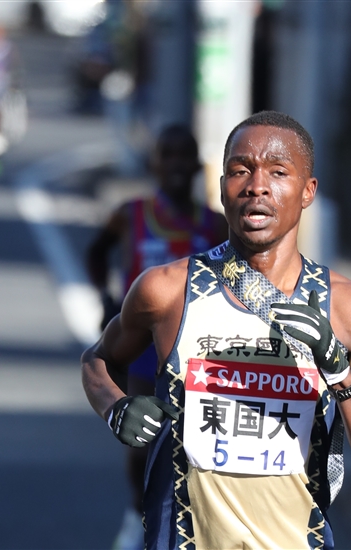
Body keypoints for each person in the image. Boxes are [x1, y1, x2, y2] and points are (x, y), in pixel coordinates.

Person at [82, 110, 351, 549]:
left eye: (278, 172)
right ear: (222, 189)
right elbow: (98, 359)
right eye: (241, 171)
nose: (257, 186)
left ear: (307, 191)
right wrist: (114, 407)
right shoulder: (167, 290)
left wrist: (340, 375)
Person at [85, 124, 227, 549]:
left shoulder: (217, 226)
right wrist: (108, 300)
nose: (178, 165)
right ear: (156, 164)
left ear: (198, 163)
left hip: (202, 350)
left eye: (186, 155)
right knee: (144, 438)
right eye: (169, 155)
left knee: (199, 442)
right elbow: (96, 251)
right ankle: (138, 512)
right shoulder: (131, 214)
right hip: (146, 347)